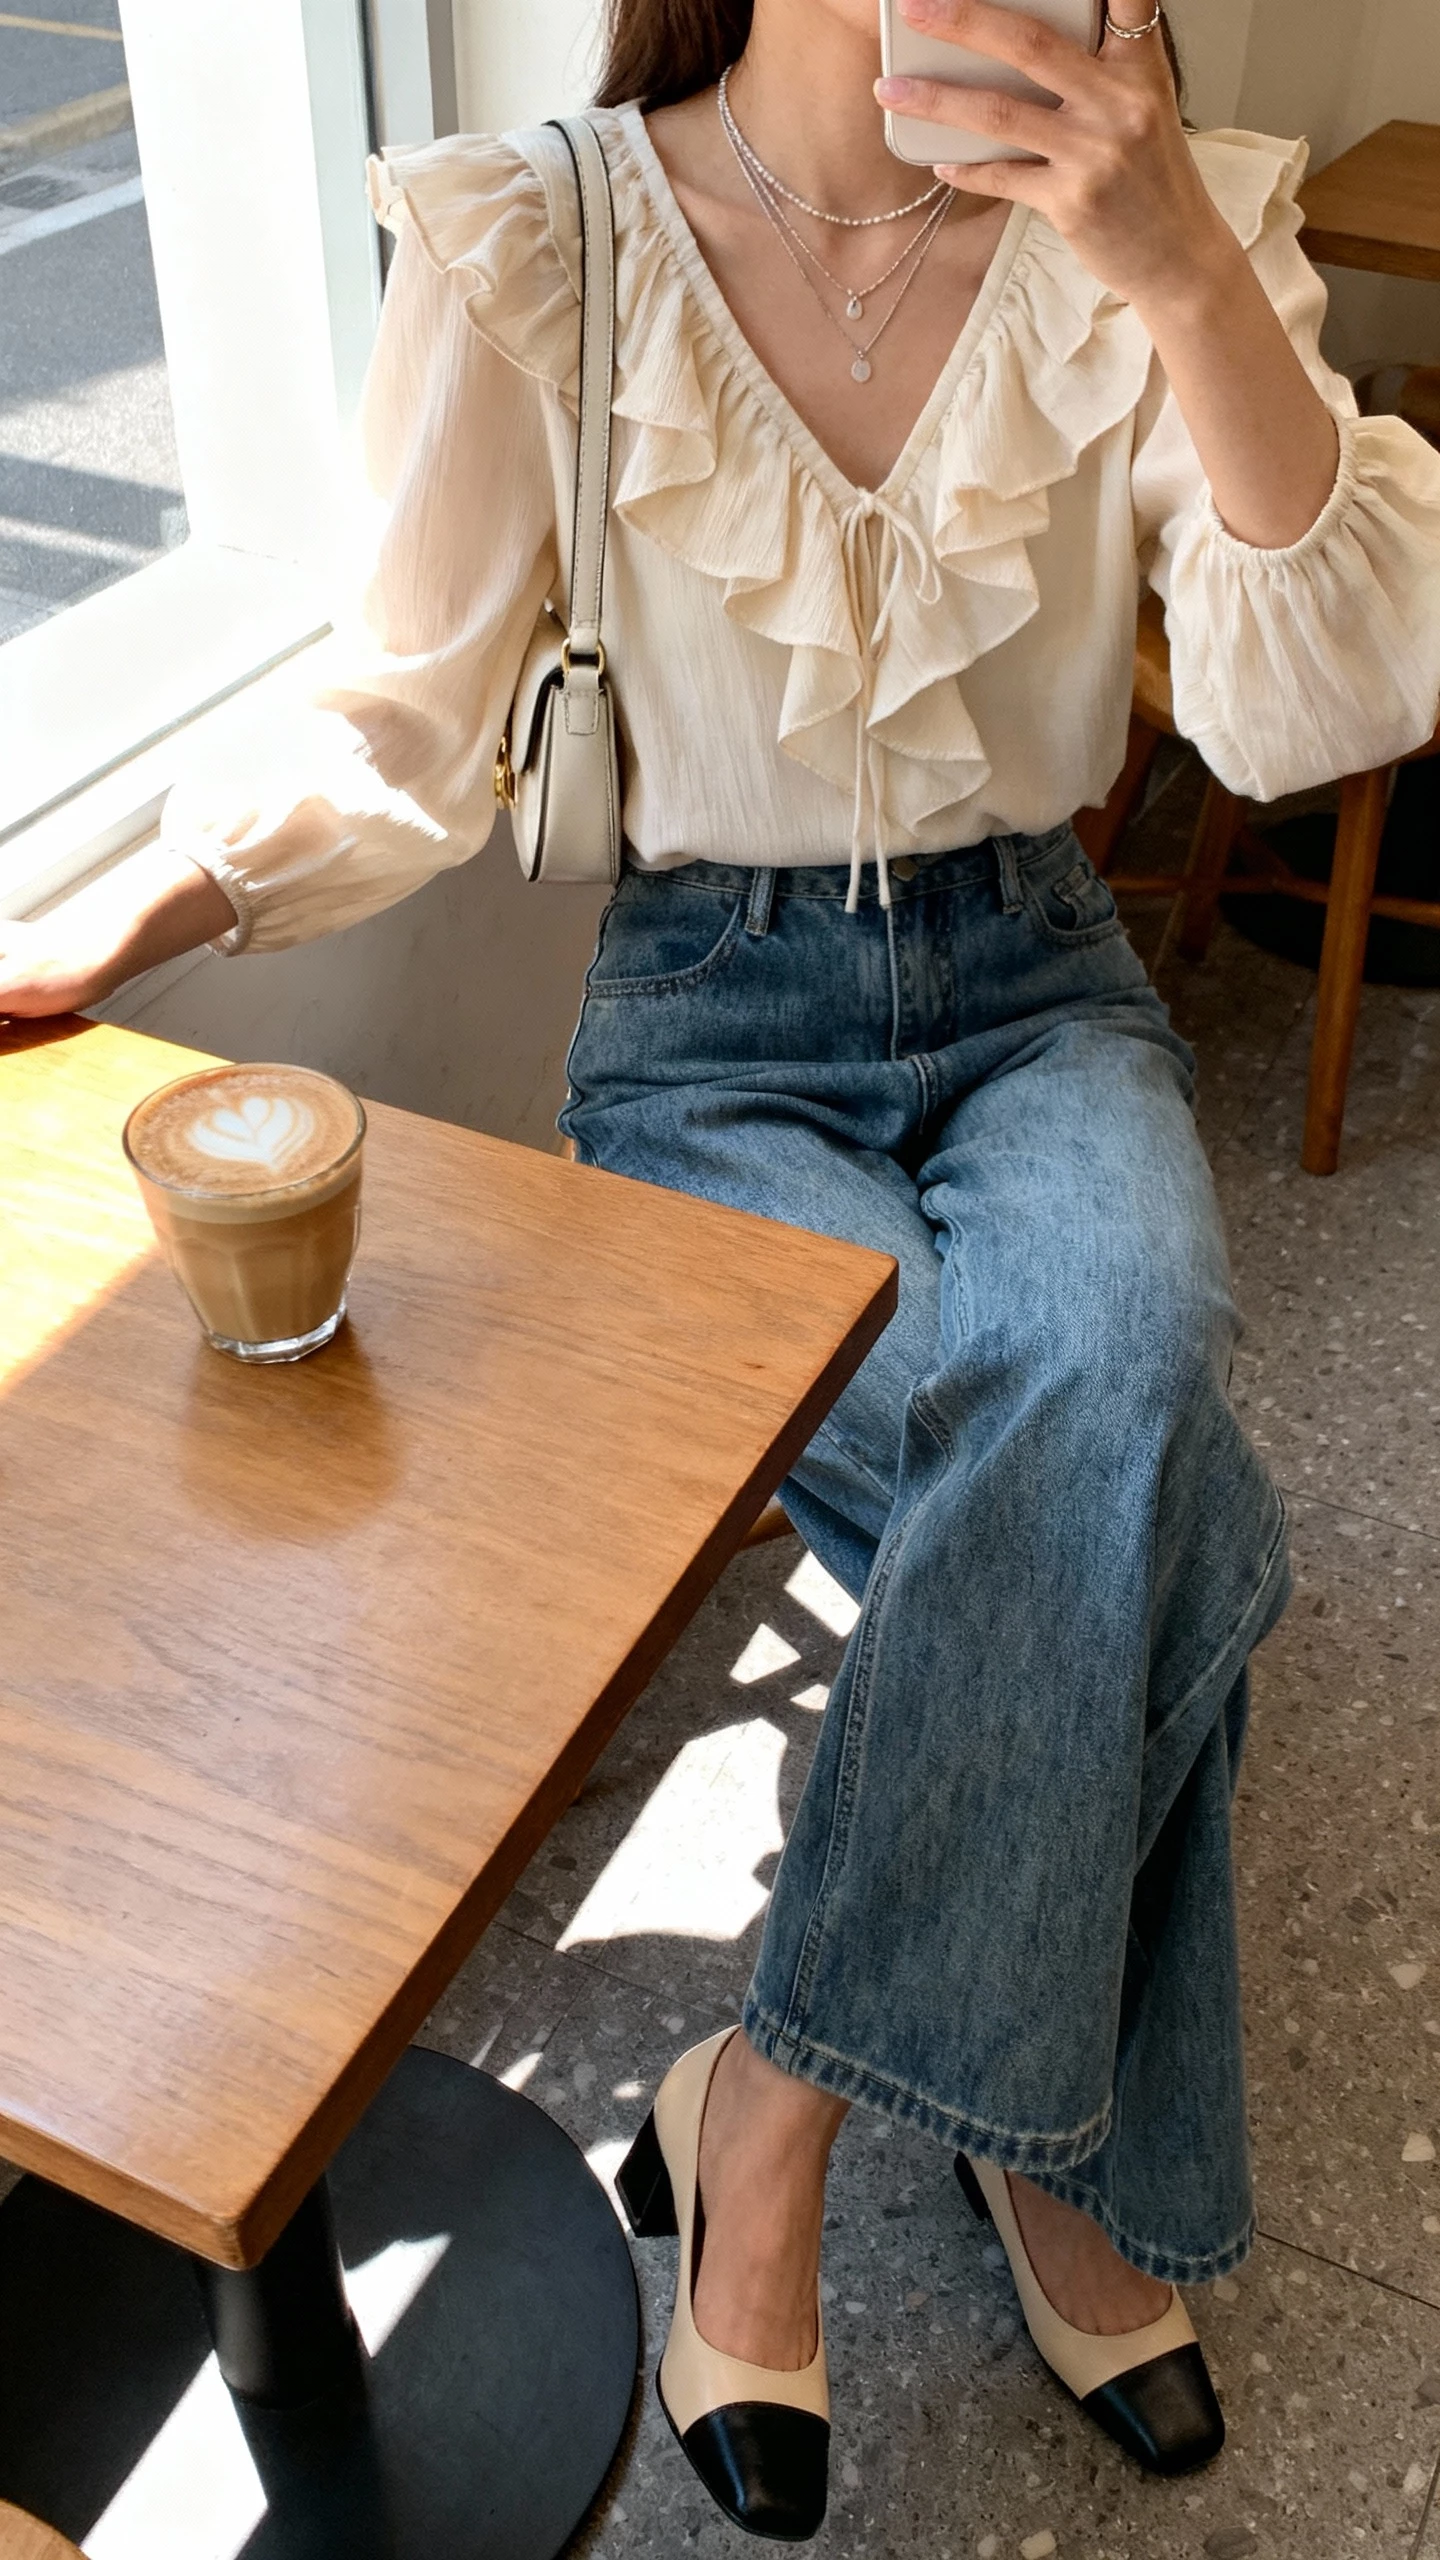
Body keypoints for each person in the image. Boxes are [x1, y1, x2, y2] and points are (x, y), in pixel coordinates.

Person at [5, 0, 1439, 2537]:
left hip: (1041, 980)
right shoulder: (542, 237)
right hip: (706, 1023)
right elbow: (406, 723)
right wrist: (134, 901)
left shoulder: (1162, 217)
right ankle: (1044, 2133)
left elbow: (1307, 705)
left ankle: (770, 2098)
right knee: (1146, 1479)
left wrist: (1180, 270)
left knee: (1118, 1367)